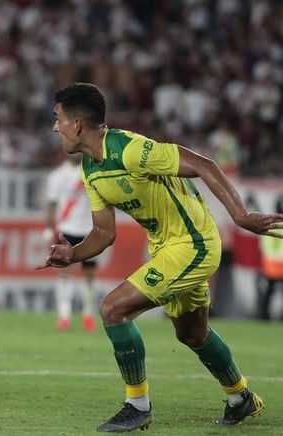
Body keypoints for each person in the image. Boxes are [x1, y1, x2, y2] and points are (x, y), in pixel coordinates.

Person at [38, 83, 283, 432]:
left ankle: (137, 405)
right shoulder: (91, 170)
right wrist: (73, 254)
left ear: (77, 124)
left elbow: (204, 164)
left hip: (194, 243)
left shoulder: (131, 150)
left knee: (112, 309)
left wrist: (241, 215)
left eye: (57, 118)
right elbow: (105, 233)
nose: (54, 127)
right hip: (167, 247)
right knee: (193, 334)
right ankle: (240, 396)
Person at [43, 154, 97, 331]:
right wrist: (49, 229)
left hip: (89, 229)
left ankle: (88, 315)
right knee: (65, 273)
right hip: (67, 229)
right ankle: (64, 316)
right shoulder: (57, 176)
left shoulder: (91, 171)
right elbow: (51, 205)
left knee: (89, 275)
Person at [257, 202, 283, 320]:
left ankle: (263, 316)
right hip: (281, 263)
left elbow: (261, 246)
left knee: (268, 292)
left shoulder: (268, 224)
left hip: (270, 263)